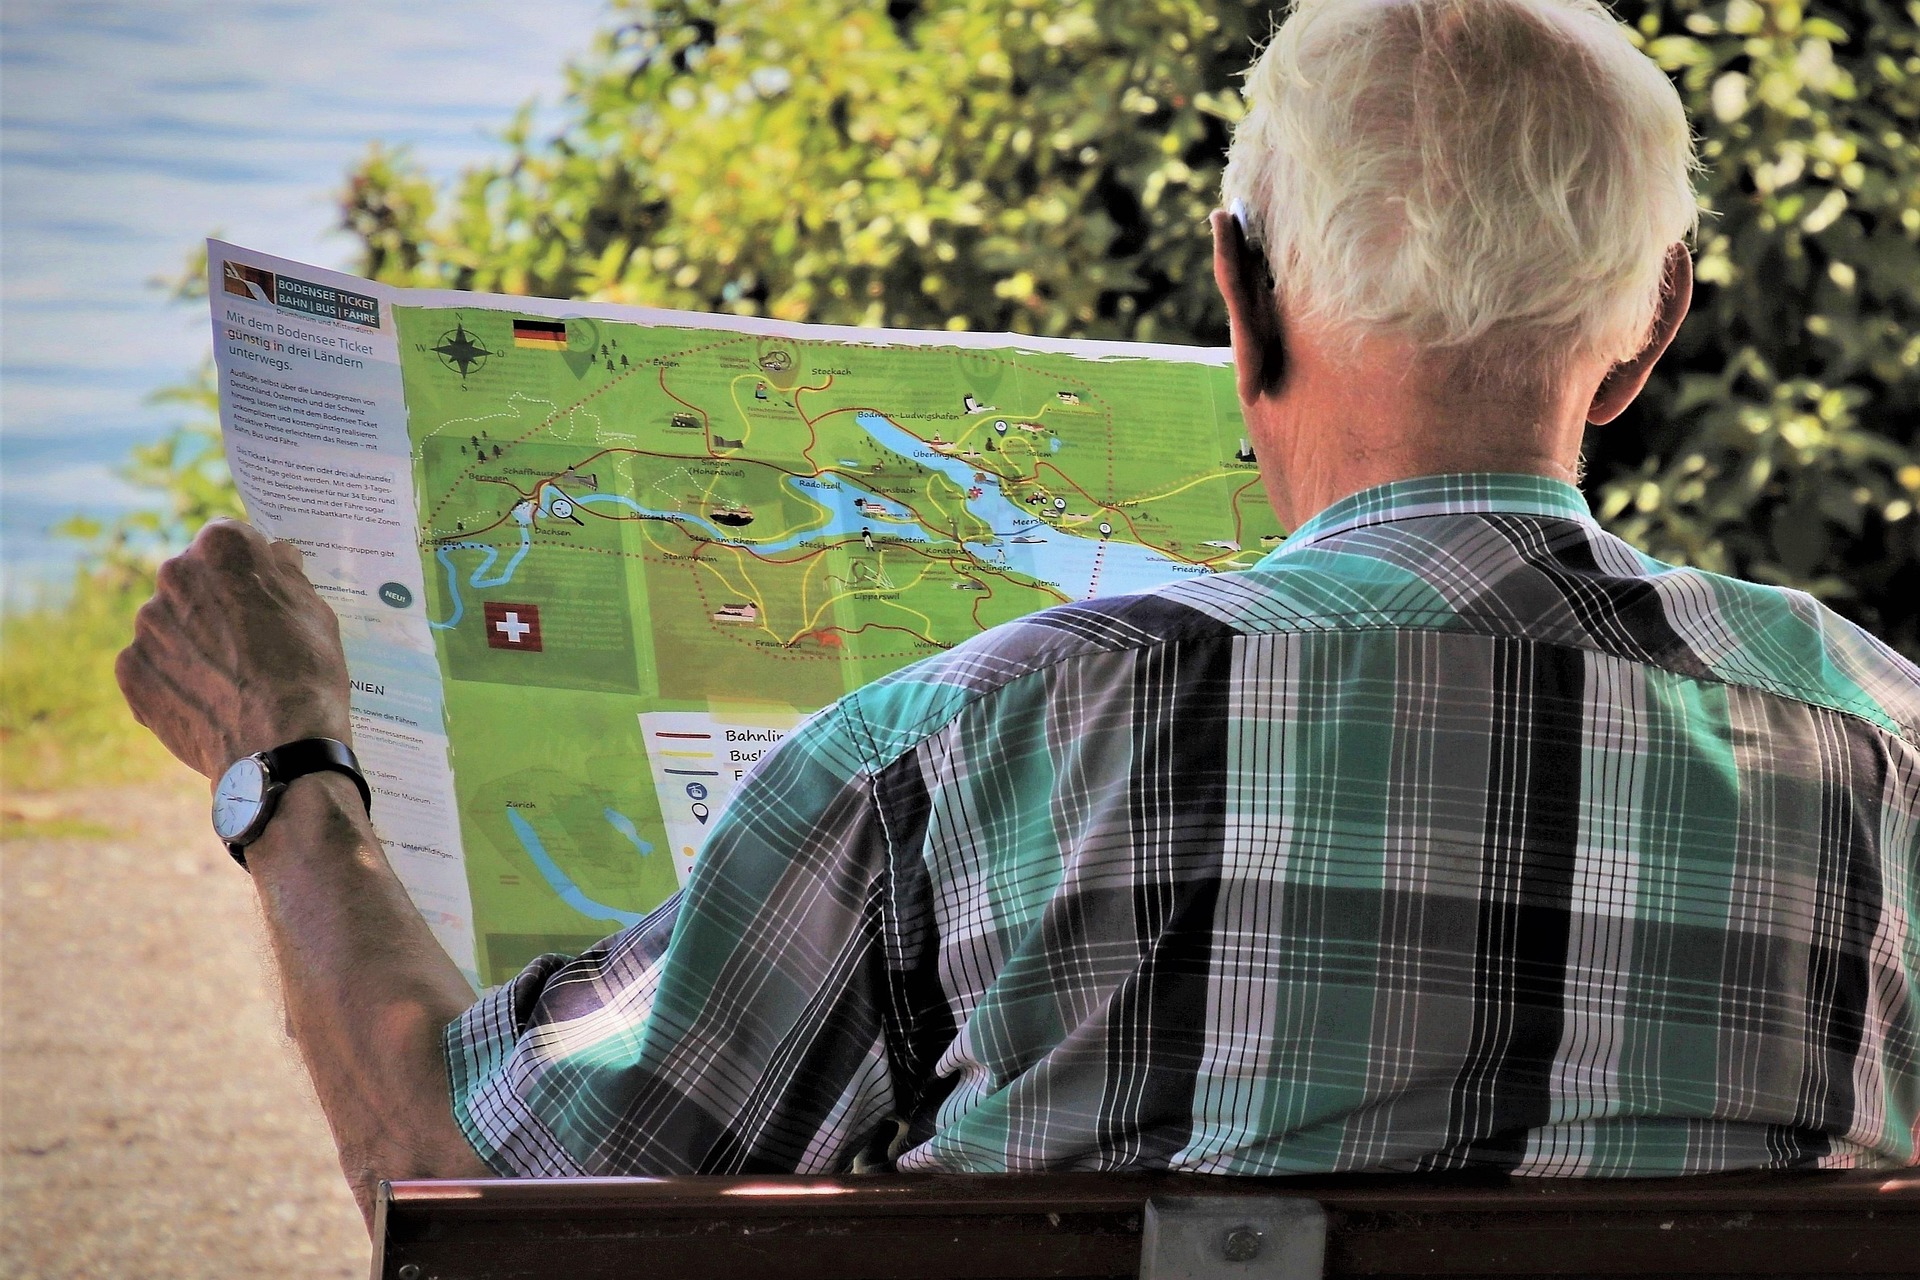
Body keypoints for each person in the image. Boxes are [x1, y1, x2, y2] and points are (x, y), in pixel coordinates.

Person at [119, 0, 1919, 1230]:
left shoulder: (974, 741)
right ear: (1653, 329)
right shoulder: (1884, 742)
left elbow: (463, 1177)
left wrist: (285, 764)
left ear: (1242, 289)